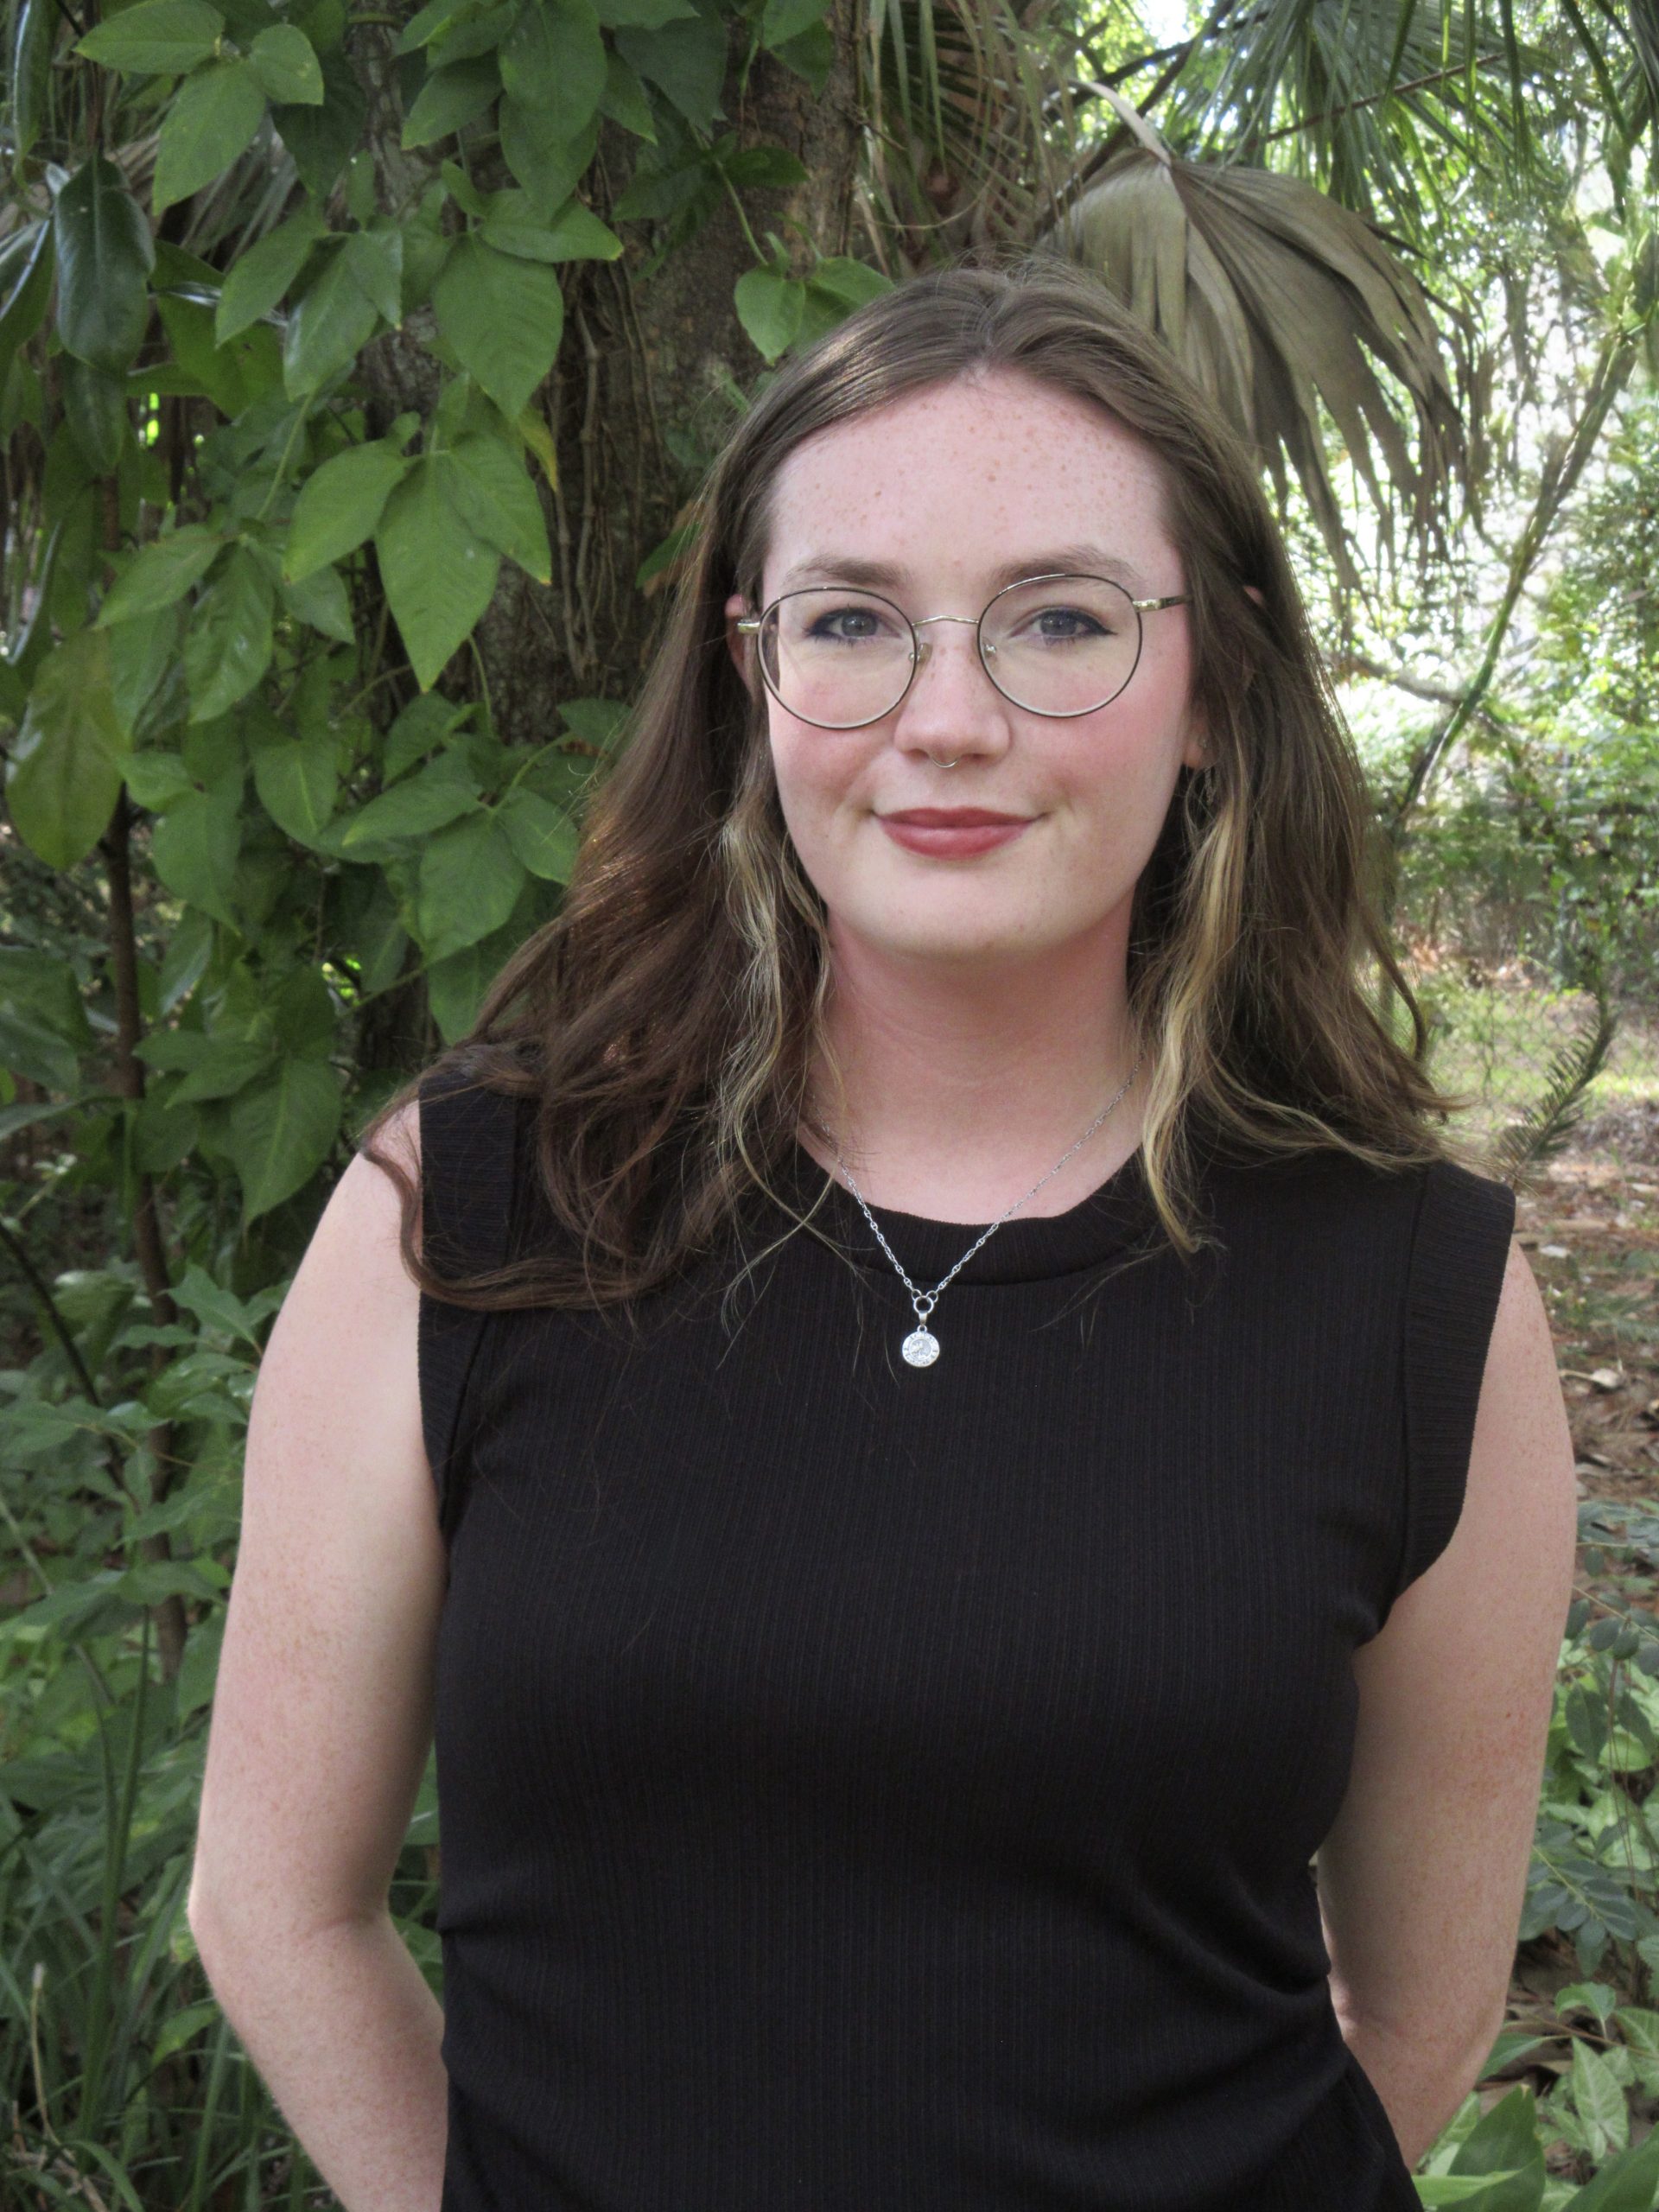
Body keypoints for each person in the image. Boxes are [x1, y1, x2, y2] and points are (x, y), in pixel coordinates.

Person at [186, 247, 1578, 2212]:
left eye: (1063, 621)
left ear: (1213, 695)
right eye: (853, 621)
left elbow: (1417, 2013)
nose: (947, 718)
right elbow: (274, 1904)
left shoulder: (1417, 1294)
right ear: (753, 674)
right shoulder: (472, 1208)